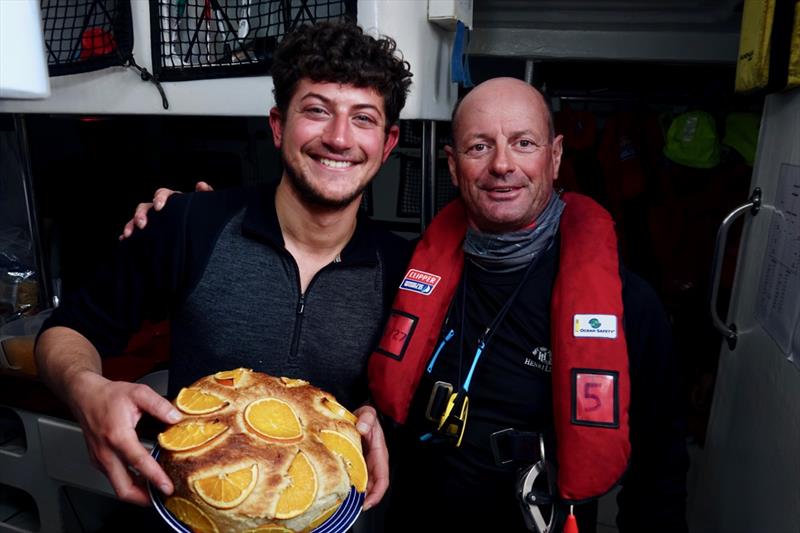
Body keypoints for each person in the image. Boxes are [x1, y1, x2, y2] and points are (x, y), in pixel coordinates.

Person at [34, 20, 413, 514]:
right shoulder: (191, 224)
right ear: (278, 126)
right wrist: (88, 388)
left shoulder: (404, 268)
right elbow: (65, 332)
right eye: (317, 110)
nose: (339, 138)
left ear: (387, 144)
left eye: (363, 118)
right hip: (195, 510)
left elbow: (393, 400)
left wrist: (374, 417)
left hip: (324, 518)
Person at [367, 78, 688, 532]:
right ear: (453, 165)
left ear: (554, 157)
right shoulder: (405, 273)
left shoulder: (628, 305)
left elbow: (660, 473)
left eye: (523, 143)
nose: (502, 165)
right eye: (479, 147)